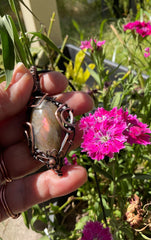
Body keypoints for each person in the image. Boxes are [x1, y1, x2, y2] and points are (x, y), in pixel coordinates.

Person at [0, 62, 94, 221]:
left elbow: (67, 127)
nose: (54, 167)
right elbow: (66, 127)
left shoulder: (44, 151)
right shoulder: (49, 149)